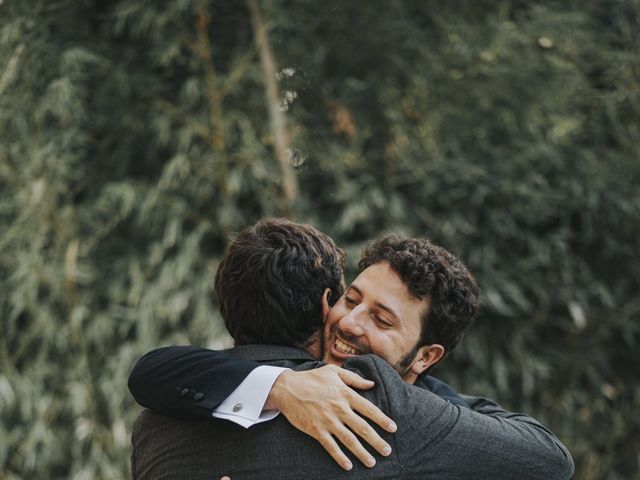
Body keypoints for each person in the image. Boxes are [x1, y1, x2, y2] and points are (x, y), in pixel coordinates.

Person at [130, 218, 574, 479]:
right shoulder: (385, 410)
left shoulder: (154, 424)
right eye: (352, 299)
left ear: (425, 356)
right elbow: (551, 461)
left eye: (382, 320)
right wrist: (282, 386)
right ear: (327, 301)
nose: (349, 322)